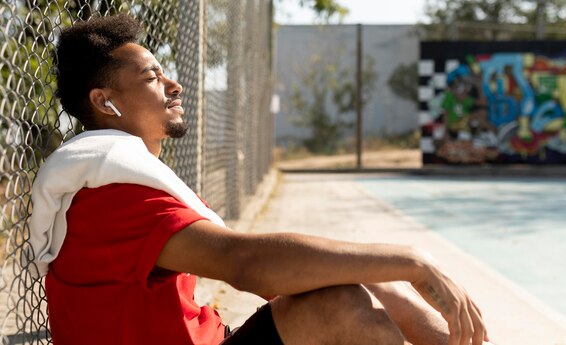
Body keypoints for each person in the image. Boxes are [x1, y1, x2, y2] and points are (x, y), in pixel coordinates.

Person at [30, 14, 490, 345]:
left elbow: (272, 273)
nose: (175, 85)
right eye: (152, 77)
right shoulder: (111, 194)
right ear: (106, 102)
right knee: (343, 303)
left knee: (362, 279)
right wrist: (410, 259)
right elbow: (244, 265)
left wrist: (387, 274)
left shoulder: (117, 173)